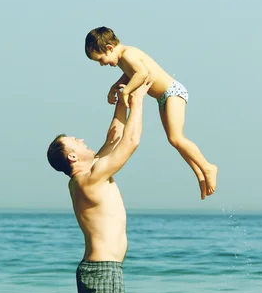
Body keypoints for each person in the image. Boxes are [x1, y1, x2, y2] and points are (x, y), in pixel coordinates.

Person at [47, 78, 151, 293]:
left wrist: (122, 100)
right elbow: (130, 143)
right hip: (103, 268)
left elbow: (115, 135)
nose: (81, 139)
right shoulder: (89, 179)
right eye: (75, 141)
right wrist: (141, 100)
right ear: (72, 156)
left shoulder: (86, 175)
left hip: (97, 267)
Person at [85, 26, 218, 201]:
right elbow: (129, 75)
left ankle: (208, 167)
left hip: (172, 92)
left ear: (109, 48)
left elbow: (142, 73)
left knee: (177, 138)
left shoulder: (128, 54)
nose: (102, 64)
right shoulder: (123, 59)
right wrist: (114, 86)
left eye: (101, 59)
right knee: (173, 140)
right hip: (162, 98)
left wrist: (126, 93)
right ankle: (200, 174)